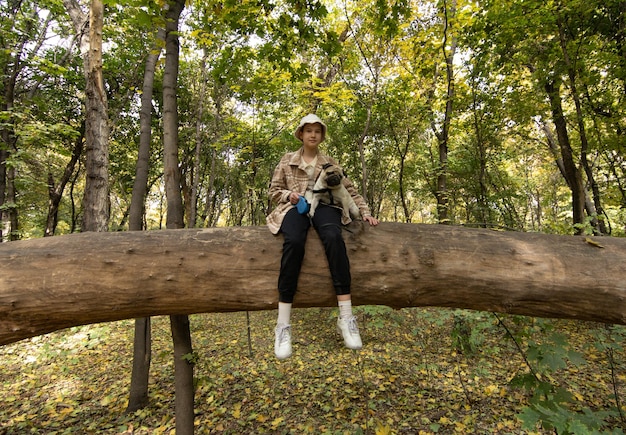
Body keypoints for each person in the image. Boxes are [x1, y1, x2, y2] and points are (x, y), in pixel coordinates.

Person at [266, 113, 379, 360]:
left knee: (333, 237)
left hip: (325, 206)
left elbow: (349, 190)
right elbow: (274, 190)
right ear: (301, 134)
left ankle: (346, 318)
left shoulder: (330, 162)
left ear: (322, 135)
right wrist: (290, 196)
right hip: (296, 208)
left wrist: (365, 213)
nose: (313, 135)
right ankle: (283, 326)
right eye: (309, 131)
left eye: (317, 131)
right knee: (294, 241)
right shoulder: (287, 160)